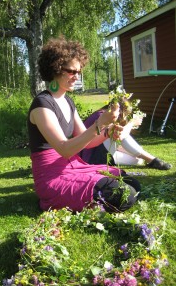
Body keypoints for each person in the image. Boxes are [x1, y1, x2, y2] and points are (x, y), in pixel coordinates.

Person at [27, 36, 141, 214]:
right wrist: (99, 123)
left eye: (78, 72)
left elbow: (88, 142)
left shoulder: (68, 102)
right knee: (125, 194)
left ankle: (86, 203)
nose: (77, 77)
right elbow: (64, 149)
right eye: (72, 72)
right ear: (55, 69)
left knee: (132, 184)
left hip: (74, 167)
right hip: (52, 176)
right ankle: (60, 201)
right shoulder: (42, 105)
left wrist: (108, 130)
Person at [80, 107, 172, 170]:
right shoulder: (103, 116)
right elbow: (120, 135)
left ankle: (148, 159)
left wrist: (134, 152)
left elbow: (111, 142)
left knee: (138, 161)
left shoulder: (104, 114)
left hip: (100, 153)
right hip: (91, 158)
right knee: (117, 132)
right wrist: (132, 123)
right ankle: (153, 160)